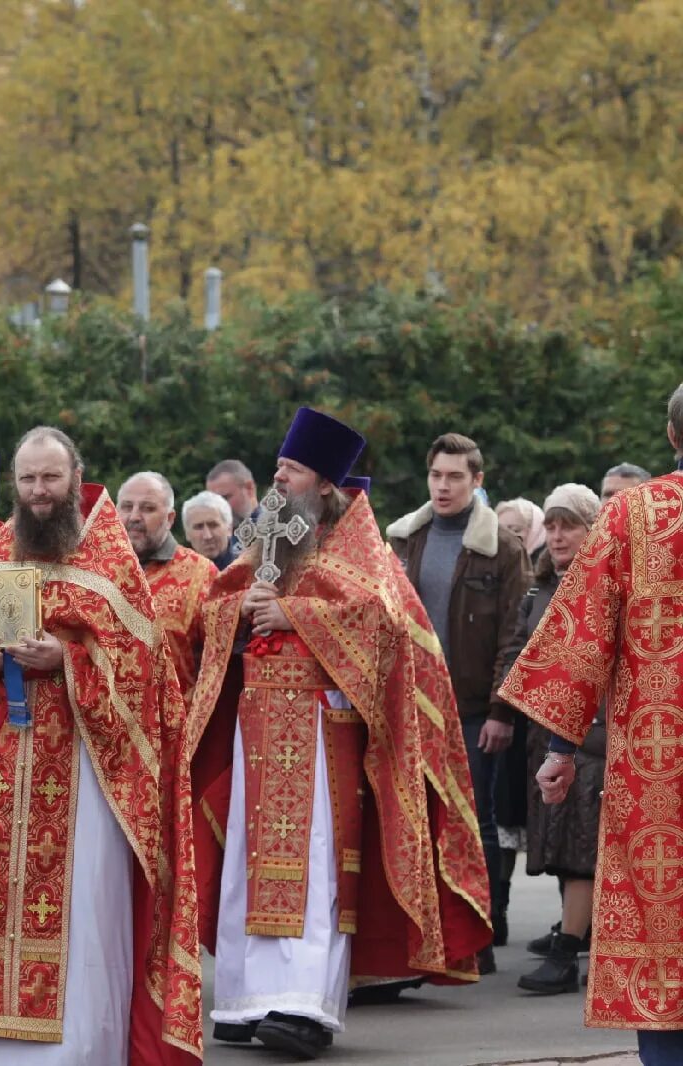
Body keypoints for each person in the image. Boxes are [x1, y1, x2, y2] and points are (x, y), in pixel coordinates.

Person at [186, 409, 491, 1059]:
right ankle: (245, 998)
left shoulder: (360, 541)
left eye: (289, 469)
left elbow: (378, 621)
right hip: (257, 724)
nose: (278, 475)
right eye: (278, 466)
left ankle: (304, 1005)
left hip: (324, 728)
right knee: (249, 861)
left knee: (314, 866)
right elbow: (218, 598)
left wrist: (293, 613)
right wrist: (238, 610)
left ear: (322, 483)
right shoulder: (272, 530)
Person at [0, 427, 201, 1066]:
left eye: (51, 478)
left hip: (85, 772)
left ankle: (78, 1053)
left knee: (83, 916)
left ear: (75, 479)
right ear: (13, 487)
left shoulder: (108, 558)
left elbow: (145, 672)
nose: (39, 492)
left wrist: (68, 657)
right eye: (28, 480)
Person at [501, 385, 683, 1065]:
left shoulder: (633, 514)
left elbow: (581, 642)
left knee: (662, 928)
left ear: (669, 437)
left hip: (657, 765)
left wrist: (559, 748)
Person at [388, 433, 531, 960]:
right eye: (436, 475)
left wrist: (501, 711)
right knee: (418, 818)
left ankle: (482, 935)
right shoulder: (405, 538)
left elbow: (515, 640)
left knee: (478, 821)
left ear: (477, 481)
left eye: (455, 477)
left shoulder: (504, 548)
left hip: (472, 708)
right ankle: (430, 935)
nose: (443, 486)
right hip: (411, 703)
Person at [495, 484, 604, 994]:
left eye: (571, 526)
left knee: (581, 847)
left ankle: (569, 952)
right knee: (564, 843)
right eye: (553, 526)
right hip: (548, 737)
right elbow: (519, 652)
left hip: (590, 736)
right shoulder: (541, 589)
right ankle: (575, 933)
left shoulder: (603, 583)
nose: (558, 536)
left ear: (593, 529)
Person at [119, 471, 217, 692]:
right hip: (104, 722)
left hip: (174, 722)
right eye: (126, 507)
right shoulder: (98, 569)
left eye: (147, 508)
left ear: (170, 519)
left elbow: (217, 666)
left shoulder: (202, 574)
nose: (134, 516)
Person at [182, 489, 236, 570]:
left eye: (213, 525)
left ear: (229, 528)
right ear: (187, 533)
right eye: (199, 527)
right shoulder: (176, 577)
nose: (207, 536)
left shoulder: (254, 571)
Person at [497, 498, 547, 567]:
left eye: (515, 530)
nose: (505, 537)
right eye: (501, 531)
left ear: (535, 532)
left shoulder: (552, 569)